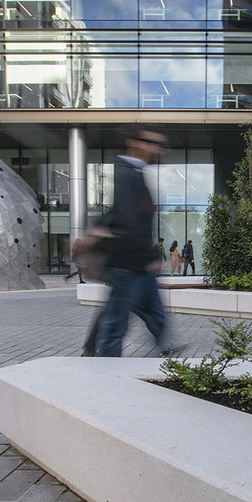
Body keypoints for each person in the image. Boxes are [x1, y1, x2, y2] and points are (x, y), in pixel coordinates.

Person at [94, 126, 170, 357]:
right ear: (133, 143)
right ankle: (104, 366)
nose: (157, 149)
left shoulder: (135, 172)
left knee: (155, 313)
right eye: (151, 142)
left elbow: (116, 213)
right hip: (128, 263)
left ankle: (167, 351)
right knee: (116, 322)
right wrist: (148, 258)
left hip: (136, 265)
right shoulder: (127, 173)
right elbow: (127, 218)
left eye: (159, 144)